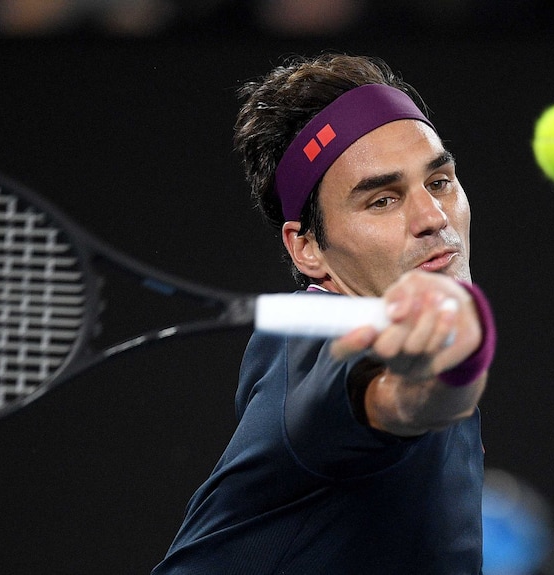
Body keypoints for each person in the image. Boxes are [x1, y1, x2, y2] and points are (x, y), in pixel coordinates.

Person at [152, 53, 496, 574]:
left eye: (440, 181)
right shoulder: (316, 346)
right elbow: (400, 395)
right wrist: (449, 363)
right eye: (382, 200)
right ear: (307, 248)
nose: (431, 217)